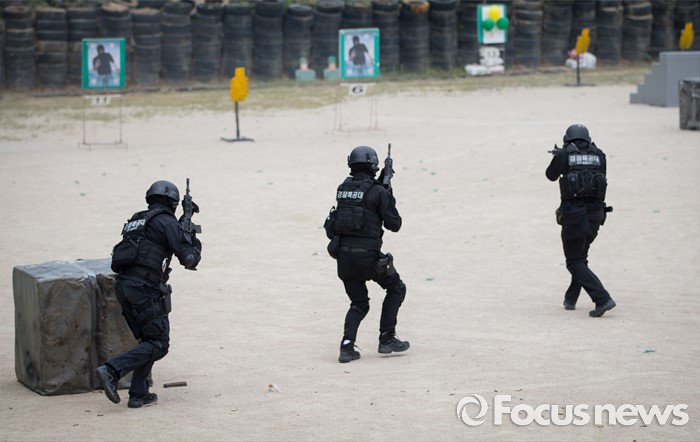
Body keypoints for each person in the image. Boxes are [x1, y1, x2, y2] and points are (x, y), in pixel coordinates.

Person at [95, 180, 202, 408]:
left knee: (149, 339)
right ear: (173, 203)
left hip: (123, 285)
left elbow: (152, 242)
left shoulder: (138, 219)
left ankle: (139, 393)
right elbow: (189, 259)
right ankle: (112, 370)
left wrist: (184, 224)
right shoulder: (166, 222)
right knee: (159, 343)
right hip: (144, 288)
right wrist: (194, 240)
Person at [326, 145, 409, 363]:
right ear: (373, 165)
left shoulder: (343, 189)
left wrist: (383, 185)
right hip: (368, 258)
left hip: (344, 259)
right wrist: (388, 192)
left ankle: (346, 347)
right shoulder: (378, 191)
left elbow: (359, 203)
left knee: (359, 303)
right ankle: (387, 338)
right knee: (396, 288)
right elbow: (395, 224)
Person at [546, 124, 616, 317]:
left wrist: (558, 157)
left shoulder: (564, 155)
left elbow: (550, 175)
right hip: (596, 215)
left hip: (574, 214)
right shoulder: (600, 155)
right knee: (580, 256)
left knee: (574, 261)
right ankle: (571, 298)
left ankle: (602, 298)